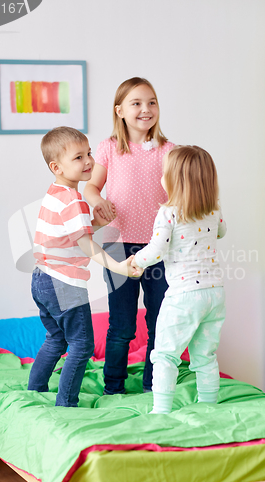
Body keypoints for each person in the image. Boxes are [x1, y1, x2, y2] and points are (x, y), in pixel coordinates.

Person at [28, 126, 142, 408]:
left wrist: (99, 223)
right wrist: (120, 267)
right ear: (57, 167)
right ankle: (66, 403)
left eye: (89, 153)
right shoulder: (75, 199)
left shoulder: (55, 193)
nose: (89, 161)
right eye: (78, 157)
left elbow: (73, 235)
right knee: (82, 346)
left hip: (41, 279)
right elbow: (86, 245)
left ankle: (35, 391)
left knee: (56, 339)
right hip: (64, 283)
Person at [84, 77, 175, 395]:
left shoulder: (169, 150)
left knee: (158, 320)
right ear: (119, 110)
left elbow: (178, 193)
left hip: (160, 246)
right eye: (136, 103)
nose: (146, 109)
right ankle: (113, 386)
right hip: (118, 245)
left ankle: (153, 383)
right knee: (122, 323)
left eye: (152, 102)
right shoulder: (109, 148)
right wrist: (98, 202)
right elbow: (91, 187)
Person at [132, 145, 227, 414]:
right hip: (215, 294)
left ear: (174, 180)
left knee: (164, 355)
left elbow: (156, 250)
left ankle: (161, 411)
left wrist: (135, 262)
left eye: (164, 172)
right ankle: (209, 407)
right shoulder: (213, 210)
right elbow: (221, 232)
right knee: (205, 355)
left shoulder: (169, 212)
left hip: (184, 295)